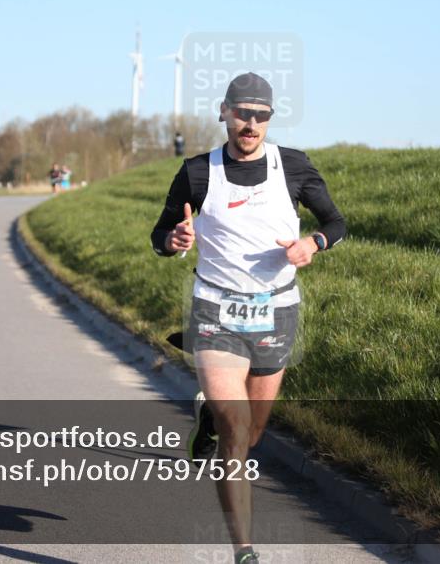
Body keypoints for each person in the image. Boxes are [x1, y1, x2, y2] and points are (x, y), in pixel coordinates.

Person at [151, 72, 345, 564]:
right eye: (242, 113)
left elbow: (335, 223)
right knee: (237, 431)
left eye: (261, 115)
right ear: (224, 112)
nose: (251, 124)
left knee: (252, 434)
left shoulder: (294, 167)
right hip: (215, 309)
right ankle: (245, 552)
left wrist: (313, 243)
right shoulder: (197, 172)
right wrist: (172, 241)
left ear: (269, 119)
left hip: (277, 311)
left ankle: (209, 422)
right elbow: (161, 234)